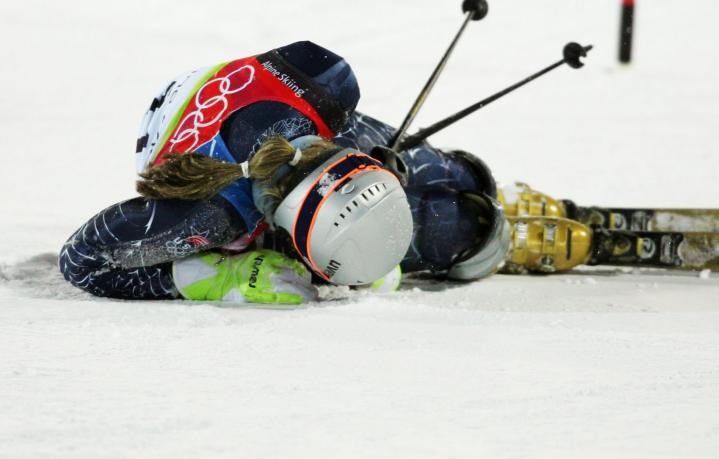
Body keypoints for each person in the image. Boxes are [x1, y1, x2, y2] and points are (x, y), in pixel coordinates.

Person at [59, 41, 512, 304]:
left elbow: (83, 261)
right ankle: (455, 220)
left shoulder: (332, 87)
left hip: (296, 140)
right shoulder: (214, 216)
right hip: (216, 171)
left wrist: (382, 166)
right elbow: (84, 262)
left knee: (439, 175)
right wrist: (219, 277)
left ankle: (457, 187)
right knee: (442, 228)